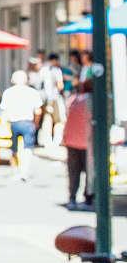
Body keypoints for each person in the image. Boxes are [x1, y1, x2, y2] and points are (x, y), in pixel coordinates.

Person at [0, 70, 43, 180]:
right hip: (28, 123)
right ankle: (24, 171)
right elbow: (38, 111)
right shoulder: (32, 92)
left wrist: (3, 125)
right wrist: (36, 124)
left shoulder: (8, 93)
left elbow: (4, 111)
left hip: (13, 123)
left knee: (14, 148)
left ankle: (16, 171)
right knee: (27, 148)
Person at [62, 78, 94, 210]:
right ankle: (88, 198)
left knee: (73, 171)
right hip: (87, 141)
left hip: (71, 140)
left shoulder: (73, 100)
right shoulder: (92, 101)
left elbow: (66, 115)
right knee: (89, 171)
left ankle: (72, 197)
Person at [38, 52, 65, 146]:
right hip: (55, 98)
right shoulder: (57, 70)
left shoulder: (43, 69)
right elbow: (60, 85)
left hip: (44, 98)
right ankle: (57, 140)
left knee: (47, 119)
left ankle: (47, 140)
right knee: (58, 120)